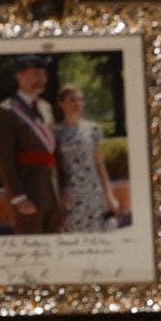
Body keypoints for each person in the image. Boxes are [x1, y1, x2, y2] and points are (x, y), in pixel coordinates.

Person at [0, 56, 62, 230]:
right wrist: (18, 196)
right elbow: (3, 158)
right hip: (28, 194)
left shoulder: (46, 107)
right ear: (19, 76)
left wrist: (63, 188)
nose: (41, 79)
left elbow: (54, 152)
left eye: (43, 74)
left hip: (52, 192)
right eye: (35, 74)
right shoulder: (6, 111)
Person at [52, 82, 115, 231]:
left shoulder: (93, 129)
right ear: (61, 104)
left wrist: (109, 196)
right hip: (70, 196)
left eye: (80, 100)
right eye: (72, 100)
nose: (77, 104)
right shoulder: (56, 132)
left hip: (93, 193)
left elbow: (100, 164)